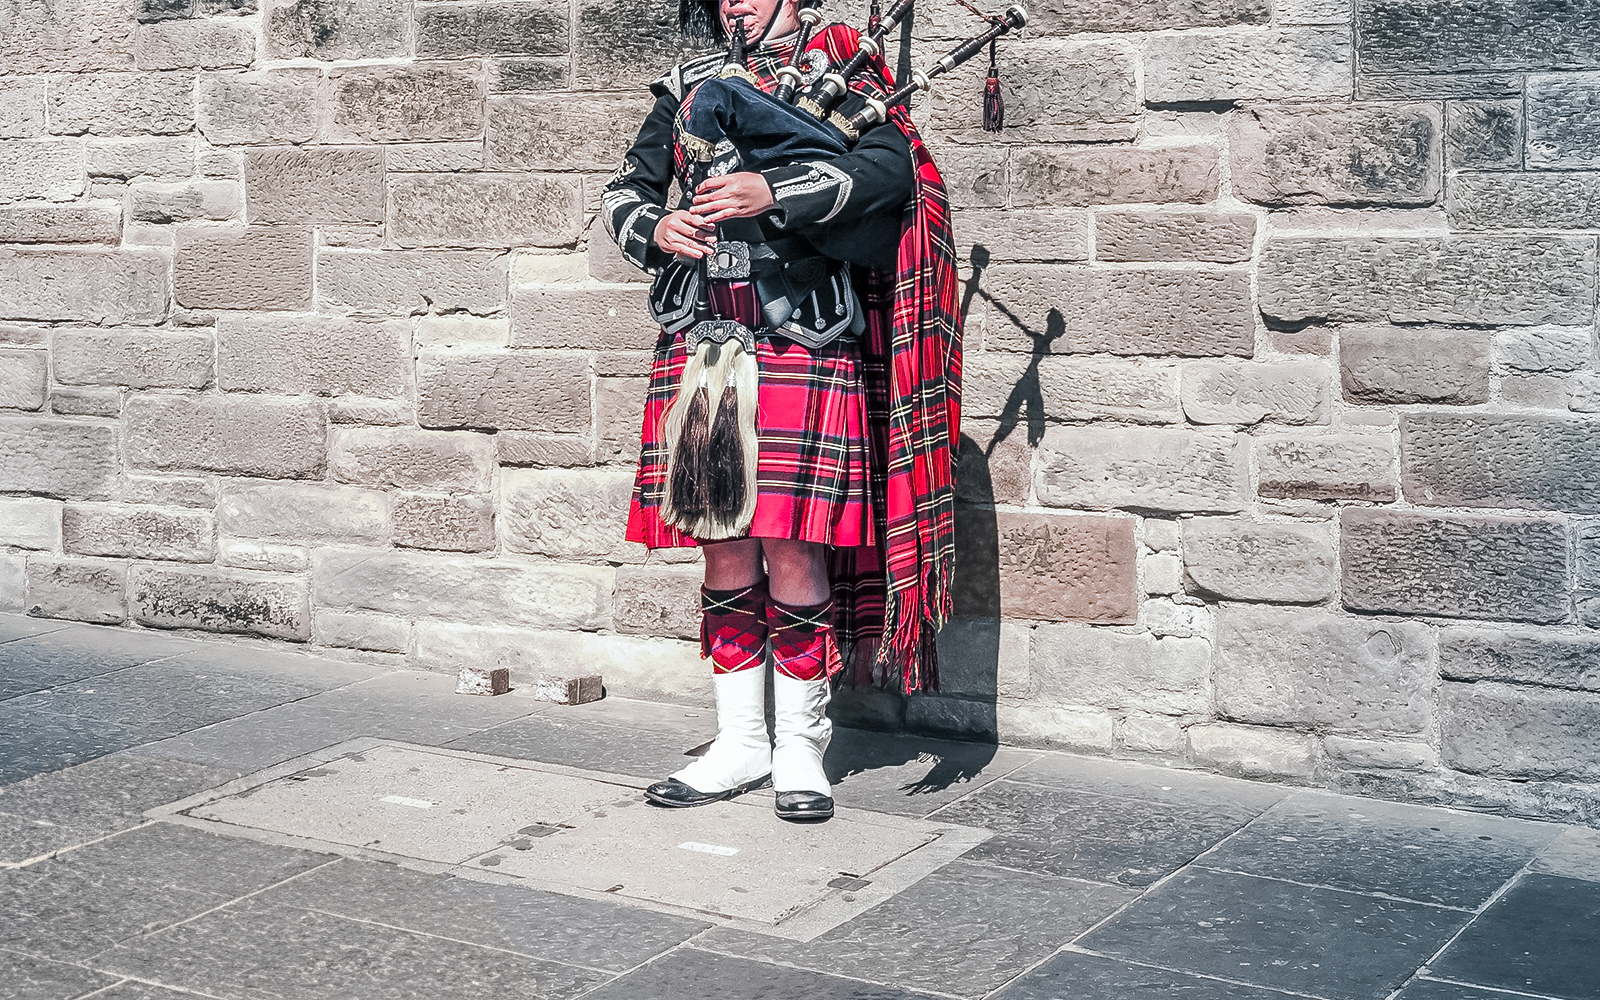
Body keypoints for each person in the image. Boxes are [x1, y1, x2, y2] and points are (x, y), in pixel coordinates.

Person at [602, 0, 960, 822]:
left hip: (804, 336)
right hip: (704, 338)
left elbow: (890, 176)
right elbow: (626, 187)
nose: (736, 3)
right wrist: (658, 226)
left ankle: (800, 747)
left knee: (795, 549)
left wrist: (772, 189)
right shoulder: (687, 85)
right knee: (722, 542)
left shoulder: (846, 72)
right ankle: (739, 743)